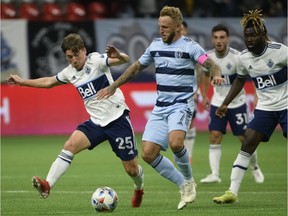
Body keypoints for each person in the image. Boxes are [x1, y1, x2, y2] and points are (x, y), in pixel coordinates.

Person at [96, 6, 223, 209]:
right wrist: (114, 85)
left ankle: (189, 181)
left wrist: (216, 73)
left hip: (181, 104)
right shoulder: (155, 45)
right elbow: (137, 66)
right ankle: (182, 184)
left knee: (175, 143)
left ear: (178, 27)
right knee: (147, 153)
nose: (161, 30)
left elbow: (210, 64)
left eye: (165, 27)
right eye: (159, 26)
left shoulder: (190, 47)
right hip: (161, 106)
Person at [7, 33, 144, 208]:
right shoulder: (69, 73)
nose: (73, 60)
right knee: (70, 145)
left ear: (84, 51)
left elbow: (124, 60)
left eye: (76, 55)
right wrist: (22, 82)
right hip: (95, 122)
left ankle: (139, 188)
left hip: (117, 119)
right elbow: (48, 82)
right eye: (69, 57)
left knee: (132, 169)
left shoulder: (96, 60)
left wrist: (119, 56)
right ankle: (47, 185)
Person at [213, 9, 287, 204]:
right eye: (247, 36)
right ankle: (232, 192)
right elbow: (240, 80)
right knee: (247, 142)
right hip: (265, 108)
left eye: (254, 35)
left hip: (286, 105)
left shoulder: (281, 51)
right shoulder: (244, 58)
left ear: (263, 34)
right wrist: (225, 104)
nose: (250, 39)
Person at [199, 24, 264, 184]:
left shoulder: (238, 57)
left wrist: (256, 95)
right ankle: (214, 174)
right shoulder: (208, 58)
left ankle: (255, 167)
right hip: (216, 102)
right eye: (215, 37)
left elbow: (253, 76)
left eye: (222, 37)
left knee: (246, 139)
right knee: (214, 136)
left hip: (237, 104)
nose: (218, 41)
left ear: (227, 38)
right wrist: (205, 95)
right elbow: (206, 76)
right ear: (212, 39)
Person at [181, 20, 199, 164]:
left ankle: (189, 154)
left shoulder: (191, 47)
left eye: (183, 29)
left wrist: (197, 90)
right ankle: (182, 152)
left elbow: (199, 69)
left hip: (189, 92)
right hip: (173, 93)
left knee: (190, 122)